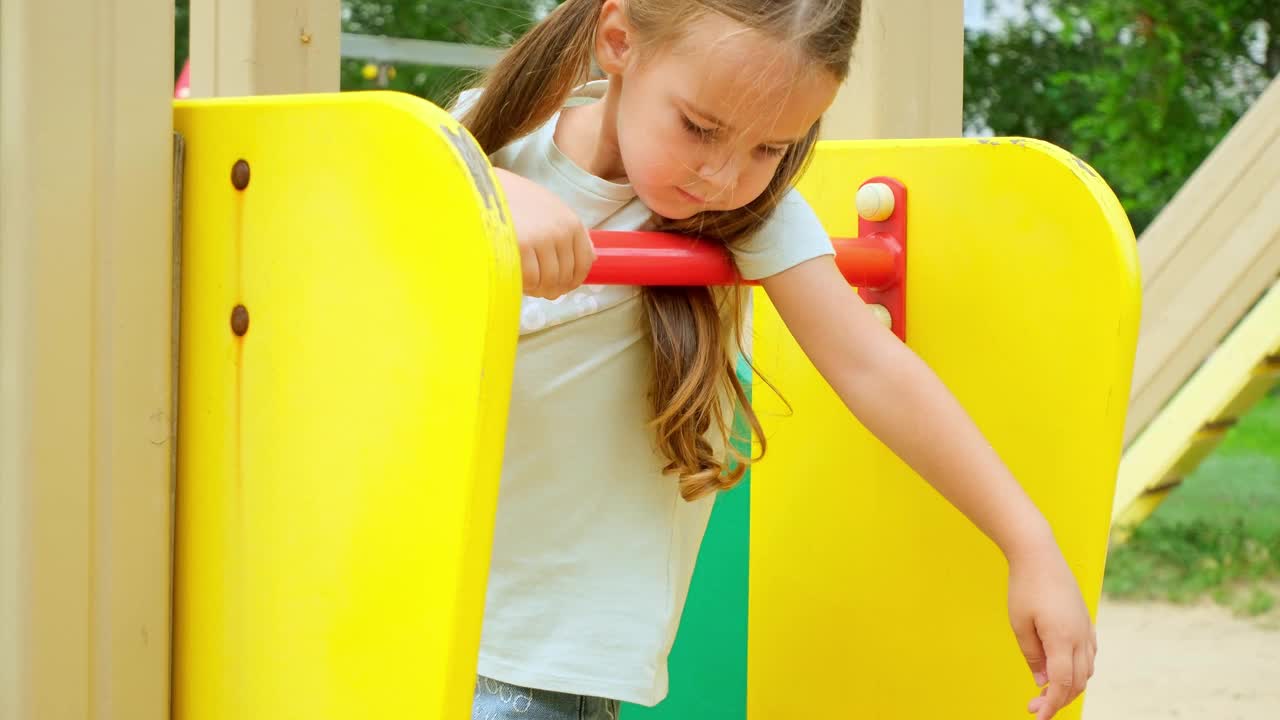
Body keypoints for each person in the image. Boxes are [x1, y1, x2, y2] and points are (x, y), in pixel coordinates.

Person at [453, 1, 1096, 718]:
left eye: (770, 149)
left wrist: (1029, 543)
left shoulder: (752, 217)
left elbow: (873, 368)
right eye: (700, 128)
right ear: (618, 41)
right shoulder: (481, 147)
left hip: (542, 668)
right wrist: (491, 192)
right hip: (403, 619)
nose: (723, 177)